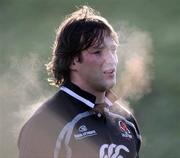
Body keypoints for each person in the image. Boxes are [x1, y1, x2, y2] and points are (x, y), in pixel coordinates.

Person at [18, 5, 141, 158]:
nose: (112, 60)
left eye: (113, 50)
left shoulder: (126, 121)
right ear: (73, 61)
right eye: (97, 52)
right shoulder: (45, 125)